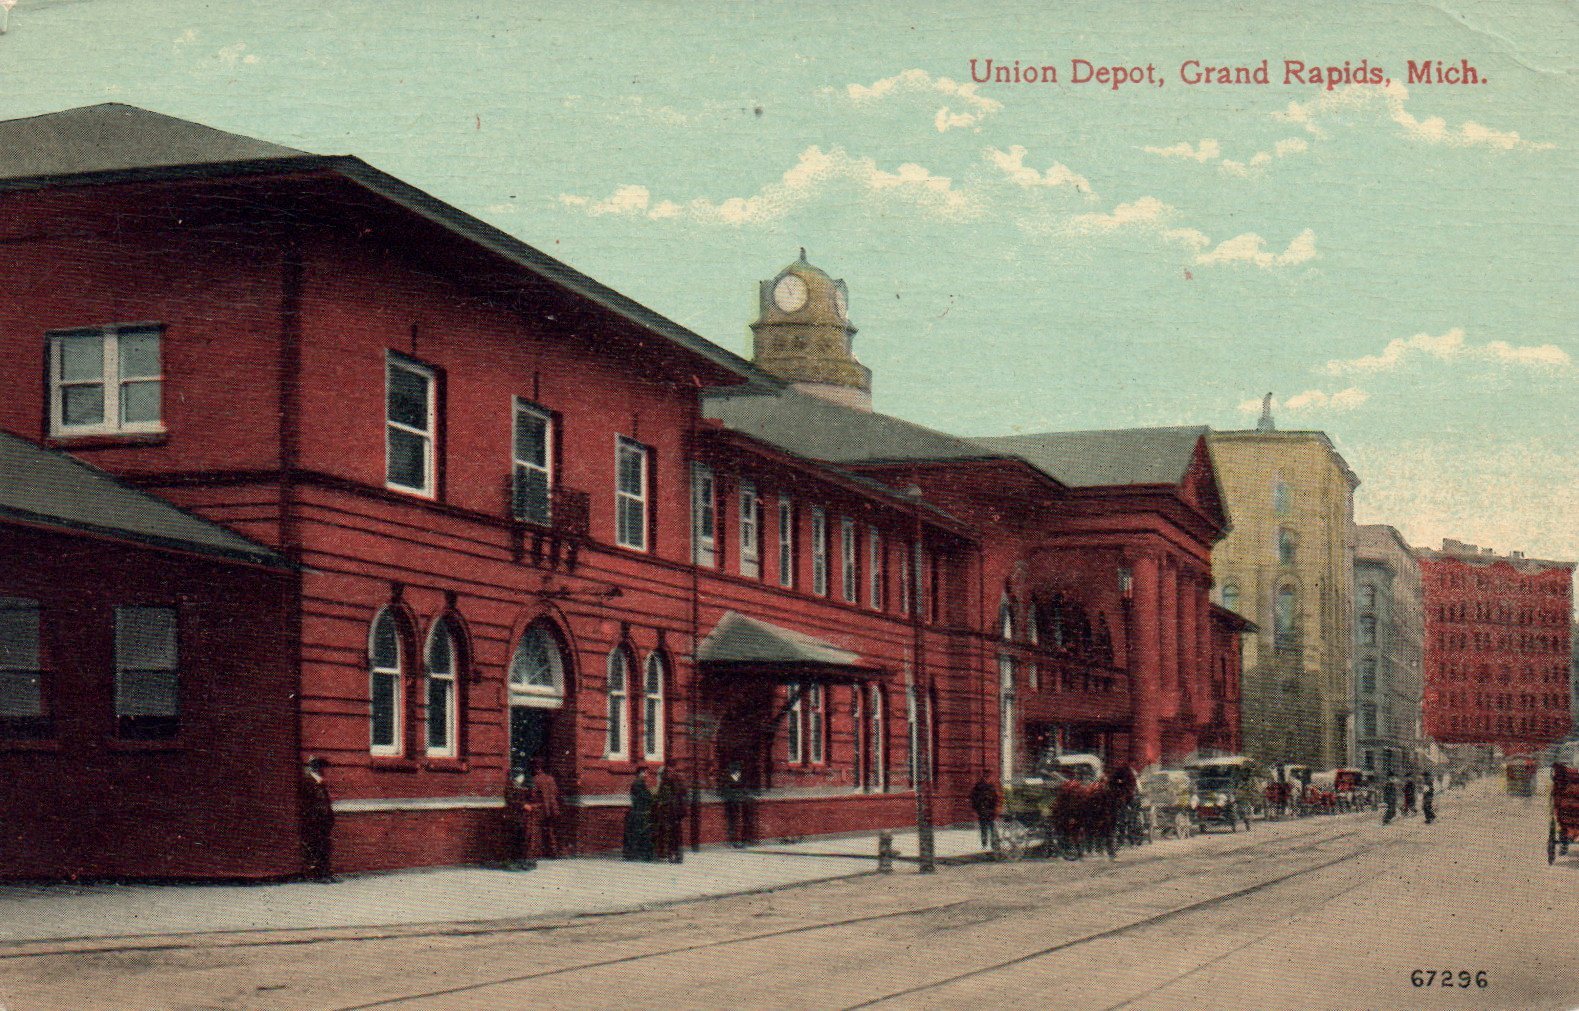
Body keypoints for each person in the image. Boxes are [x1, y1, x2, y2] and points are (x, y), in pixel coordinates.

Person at [299, 756, 335, 881]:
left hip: (323, 821)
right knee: (316, 848)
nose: (323, 770)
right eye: (321, 767)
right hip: (314, 821)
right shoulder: (308, 782)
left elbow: (325, 802)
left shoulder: (319, 782)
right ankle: (317, 875)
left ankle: (325, 873)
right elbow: (308, 803)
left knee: (325, 847)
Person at [504, 768, 537, 868]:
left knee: (524, 838)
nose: (521, 777)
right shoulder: (510, 786)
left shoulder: (520, 786)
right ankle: (515, 861)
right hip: (514, 817)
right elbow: (511, 800)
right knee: (515, 839)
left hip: (522, 817)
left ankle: (523, 860)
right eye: (520, 774)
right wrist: (523, 805)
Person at [653, 767, 687, 863]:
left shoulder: (666, 783)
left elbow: (664, 798)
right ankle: (678, 856)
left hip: (670, 812)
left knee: (669, 834)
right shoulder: (678, 781)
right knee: (677, 834)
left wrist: (660, 803)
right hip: (678, 813)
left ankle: (670, 855)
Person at [623, 766, 655, 861]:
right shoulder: (638, 783)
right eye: (646, 772)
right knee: (641, 833)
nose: (647, 775)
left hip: (639, 811)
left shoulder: (639, 783)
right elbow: (645, 796)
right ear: (641, 773)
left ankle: (636, 854)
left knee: (638, 833)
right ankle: (639, 854)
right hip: (640, 812)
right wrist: (651, 795)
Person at [531, 761, 561, 858]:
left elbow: (533, 795)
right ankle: (553, 851)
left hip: (541, 808)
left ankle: (537, 852)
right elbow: (556, 792)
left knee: (537, 830)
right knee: (550, 830)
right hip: (552, 808)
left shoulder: (535, 780)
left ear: (537, 769)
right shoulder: (551, 779)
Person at [721, 760, 752, 848]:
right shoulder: (734, 778)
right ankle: (735, 841)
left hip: (736, 804)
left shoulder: (733, 778)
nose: (739, 772)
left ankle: (737, 841)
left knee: (735, 823)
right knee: (734, 823)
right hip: (733, 804)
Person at [969, 772, 1000, 851]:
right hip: (983, 811)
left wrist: (995, 809)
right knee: (985, 828)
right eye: (986, 777)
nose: (987, 779)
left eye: (988, 777)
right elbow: (973, 798)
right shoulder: (978, 787)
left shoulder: (991, 787)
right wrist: (975, 809)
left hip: (989, 811)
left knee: (992, 828)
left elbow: (996, 799)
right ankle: (985, 844)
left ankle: (994, 844)